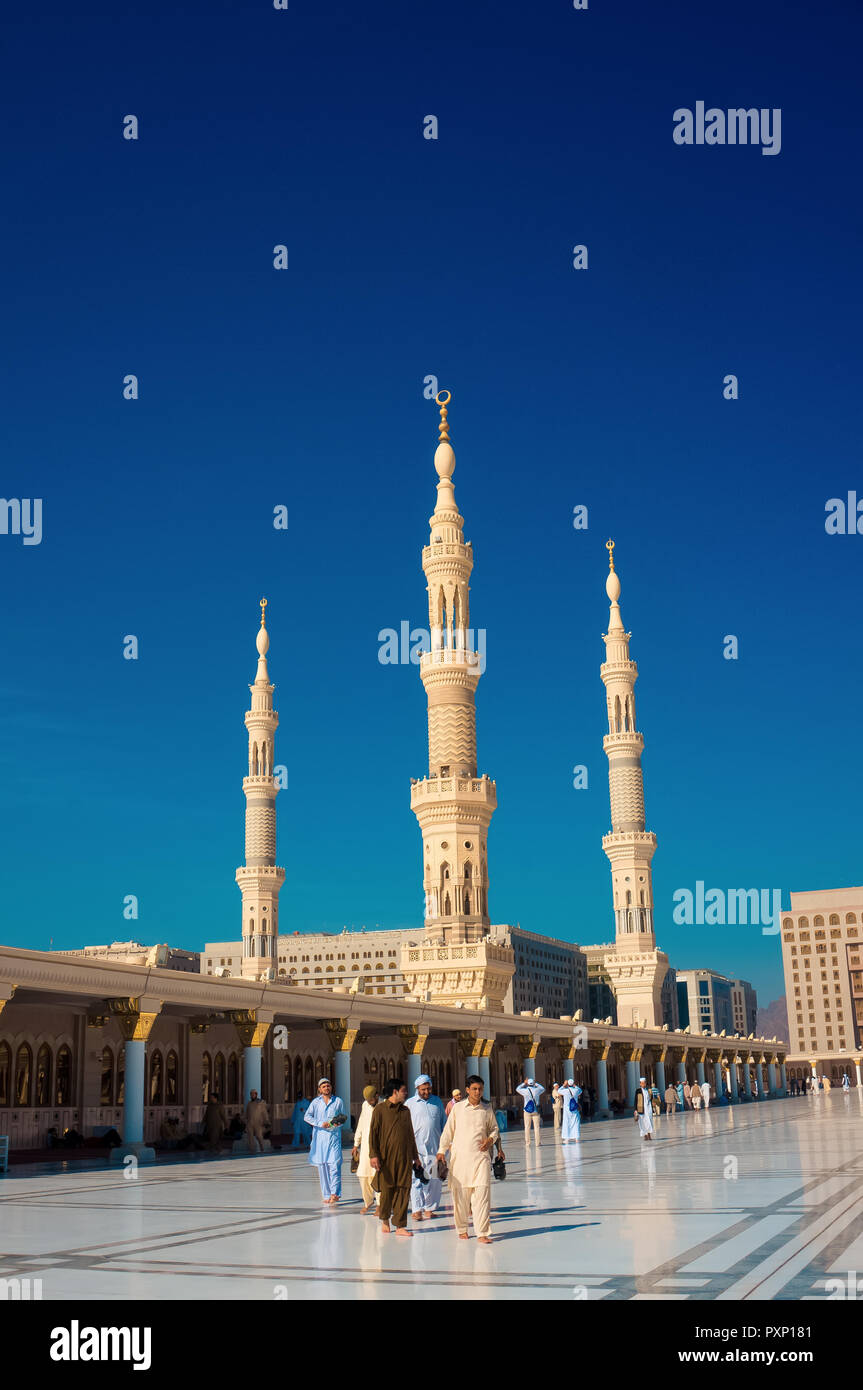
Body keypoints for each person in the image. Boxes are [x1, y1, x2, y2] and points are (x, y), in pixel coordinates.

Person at [436, 1074, 503, 1244]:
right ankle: (462, 1228)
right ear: (467, 1090)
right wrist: (441, 1151)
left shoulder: (487, 1109)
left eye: (480, 1089)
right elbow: (448, 1131)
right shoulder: (458, 1108)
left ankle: (482, 1232)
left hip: (481, 1159)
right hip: (460, 1160)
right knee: (461, 1197)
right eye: (474, 1089)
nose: (477, 1092)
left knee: (482, 1196)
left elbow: (494, 1129)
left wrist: (491, 1139)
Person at [368, 1077, 421, 1237]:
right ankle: (385, 1219)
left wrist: (415, 1156)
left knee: (403, 1190)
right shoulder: (380, 1110)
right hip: (386, 1158)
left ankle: (400, 1225)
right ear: (395, 1091)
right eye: (403, 1091)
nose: (406, 1094)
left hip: (404, 1158)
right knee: (387, 1190)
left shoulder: (405, 1111)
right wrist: (373, 1155)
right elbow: (373, 1134)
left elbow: (410, 1135)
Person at [406, 1074, 447, 1222]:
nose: (426, 1091)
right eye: (423, 1089)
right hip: (416, 1150)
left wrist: (445, 1146)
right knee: (416, 1179)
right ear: (417, 1088)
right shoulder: (410, 1104)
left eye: (429, 1088)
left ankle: (429, 1208)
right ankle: (417, 1209)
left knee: (435, 1180)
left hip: (435, 1148)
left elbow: (444, 1124)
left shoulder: (437, 1102)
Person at [304, 1077, 347, 1205]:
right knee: (322, 1166)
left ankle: (335, 1193)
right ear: (319, 1089)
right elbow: (307, 1116)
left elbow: (343, 1117)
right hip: (320, 1138)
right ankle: (327, 1194)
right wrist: (319, 1123)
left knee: (334, 1164)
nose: (326, 1088)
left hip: (333, 1138)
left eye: (328, 1086)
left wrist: (333, 1124)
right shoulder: (315, 1103)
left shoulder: (338, 1101)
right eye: (323, 1086)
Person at [351, 1084, 379, 1214]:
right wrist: (356, 1143)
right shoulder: (365, 1105)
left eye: (371, 1099)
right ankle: (368, 1202)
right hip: (366, 1147)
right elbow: (361, 1124)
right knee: (363, 1174)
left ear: (377, 1096)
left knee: (377, 1175)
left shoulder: (383, 1105)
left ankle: (380, 1205)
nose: (369, 1102)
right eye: (367, 1100)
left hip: (379, 1147)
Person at [516, 1076, 545, 1144]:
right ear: (533, 1083)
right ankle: (537, 1143)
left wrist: (524, 1083)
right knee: (537, 1127)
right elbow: (543, 1089)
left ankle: (527, 1142)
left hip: (527, 1111)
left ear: (528, 1083)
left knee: (527, 1127)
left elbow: (517, 1089)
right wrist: (536, 1083)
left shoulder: (525, 1091)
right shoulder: (537, 1090)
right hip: (536, 1111)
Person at [245, 1089, 270, 1154]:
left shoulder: (260, 1103)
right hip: (250, 1123)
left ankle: (262, 1148)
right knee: (250, 1137)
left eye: (253, 1094)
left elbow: (264, 1113)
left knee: (259, 1136)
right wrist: (245, 1122)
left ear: (256, 1094)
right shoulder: (249, 1104)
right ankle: (252, 1150)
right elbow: (246, 1114)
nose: (252, 1095)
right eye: (251, 1094)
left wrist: (266, 1121)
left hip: (258, 1123)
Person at [558, 1078, 582, 1144]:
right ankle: (576, 1138)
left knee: (566, 1123)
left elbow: (559, 1091)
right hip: (574, 1108)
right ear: (573, 1084)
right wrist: (575, 1085)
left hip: (567, 1109)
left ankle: (567, 1139)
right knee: (575, 1123)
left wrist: (564, 1085)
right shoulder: (576, 1090)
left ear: (568, 1084)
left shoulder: (565, 1090)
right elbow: (580, 1090)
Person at [634, 1076, 654, 1141]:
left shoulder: (649, 1090)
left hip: (648, 1108)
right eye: (642, 1083)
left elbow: (651, 1099)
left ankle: (649, 1134)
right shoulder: (638, 1091)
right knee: (642, 1122)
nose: (643, 1084)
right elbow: (635, 1100)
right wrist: (635, 1110)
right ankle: (645, 1135)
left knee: (649, 1121)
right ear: (640, 1084)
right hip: (641, 1108)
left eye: (644, 1083)